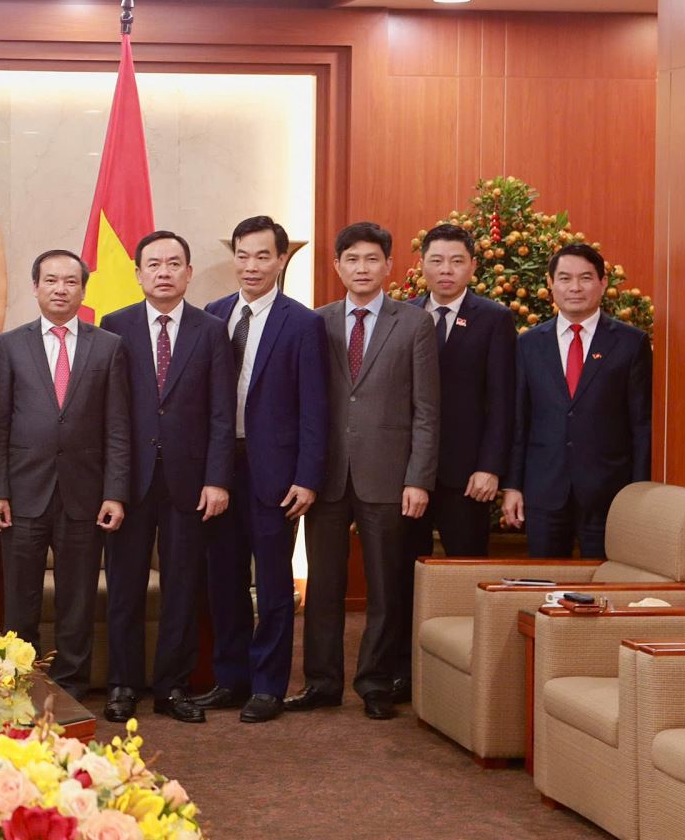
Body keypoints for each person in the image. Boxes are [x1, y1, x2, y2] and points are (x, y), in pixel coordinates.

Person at [291, 222, 438, 722]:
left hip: (389, 476)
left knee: (385, 586)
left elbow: (427, 410)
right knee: (323, 586)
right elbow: (305, 404)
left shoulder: (414, 324)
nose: (361, 268)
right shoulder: (316, 322)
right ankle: (321, 682)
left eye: (372, 259)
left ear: (389, 266)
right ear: (337, 265)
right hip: (327, 475)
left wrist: (418, 478)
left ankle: (375, 682)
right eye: (351, 259)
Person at [99, 231, 234, 725]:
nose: (163, 272)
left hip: (189, 482)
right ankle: (122, 684)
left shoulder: (211, 330)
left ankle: (172, 687)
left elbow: (222, 412)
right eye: (153, 264)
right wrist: (111, 486)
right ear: (138, 273)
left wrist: (217, 479)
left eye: (173, 263)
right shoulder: (115, 326)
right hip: (129, 481)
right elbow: (109, 412)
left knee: (181, 586)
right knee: (125, 586)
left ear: (188, 273)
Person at [197, 216, 328, 723]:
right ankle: (230, 679)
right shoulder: (214, 315)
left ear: (280, 260)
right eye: (243, 255)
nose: (251, 266)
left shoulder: (303, 323)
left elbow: (315, 407)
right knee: (223, 578)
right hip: (219, 466)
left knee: (273, 583)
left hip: (276, 472)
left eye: (262, 256)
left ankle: (269, 686)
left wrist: (308, 477)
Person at [0, 249, 130, 701]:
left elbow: (118, 427)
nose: (60, 289)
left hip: (85, 495)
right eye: (51, 281)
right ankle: (22, 682)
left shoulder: (108, 346)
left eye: (70, 282)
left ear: (83, 290)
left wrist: (115, 492)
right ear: (36, 287)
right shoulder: (10, 344)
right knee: (21, 599)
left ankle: (71, 687)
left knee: (77, 599)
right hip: (23, 493)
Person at [506, 243, 651, 558]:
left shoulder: (630, 343)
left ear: (602, 283)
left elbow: (641, 425)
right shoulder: (528, 344)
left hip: (609, 493)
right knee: (545, 580)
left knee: (605, 580)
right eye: (565, 278)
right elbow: (519, 420)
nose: (575, 287)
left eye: (585, 278)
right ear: (550, 283)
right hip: (544, 490)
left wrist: (639, 493)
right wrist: (513, 486)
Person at [407, 224, 516, 558]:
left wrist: (490, 467)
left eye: (456, 261)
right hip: (408, 470)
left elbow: (502, 401)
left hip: (468, 474)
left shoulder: (495, 319)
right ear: (422, 264)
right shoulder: (404, 315)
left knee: (465, 565)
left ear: (472, 266)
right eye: (436, 260)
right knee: (405, 567)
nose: (446, 270)